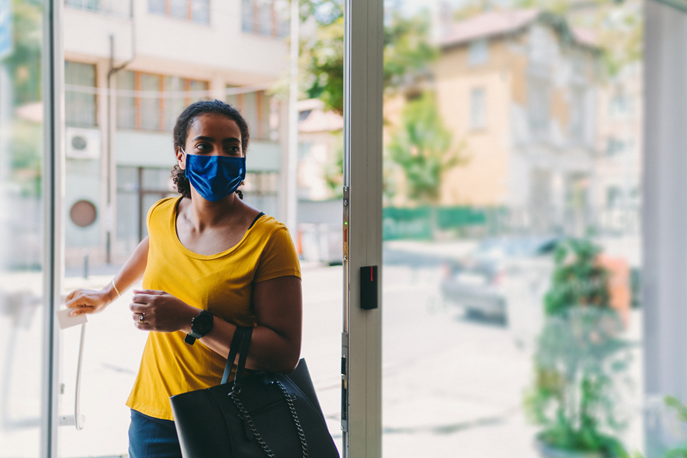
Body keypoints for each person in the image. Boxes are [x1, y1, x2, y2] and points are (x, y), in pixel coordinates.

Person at [66, 99, 303, 458]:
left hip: (227, 415)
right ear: (181, 155)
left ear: (243, 157)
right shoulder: (163, 214)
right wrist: (107, 294)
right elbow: (154, 245)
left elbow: (283, 353)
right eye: (204, 145)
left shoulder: (269, 238)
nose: (219, 156)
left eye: (232, 147)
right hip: (152, 412)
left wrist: (191, 320)